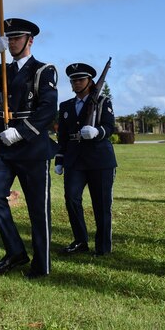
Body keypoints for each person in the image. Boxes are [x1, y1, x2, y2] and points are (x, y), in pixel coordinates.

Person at [0, 18, 57, 279]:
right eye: (8, 39)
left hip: (31, 144)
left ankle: (41, 264)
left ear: (29, 40)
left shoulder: (44, 70)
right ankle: (15, 251)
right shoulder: (4, 70)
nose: (12, 43)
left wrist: (21, 132)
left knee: (37, 207)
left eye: (16, 38)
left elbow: (47, 109)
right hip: (3, 139)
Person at [55, 62, 117, 256]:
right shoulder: (66, 106)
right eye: (73, 80)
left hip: (100, 159)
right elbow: (62, 135)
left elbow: (109, 127)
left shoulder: (102, 101)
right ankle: (80, 240)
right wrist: (59, 159)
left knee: (101, 204)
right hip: (74, 159)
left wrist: (97, 131)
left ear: (90, 81)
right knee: (71, 199)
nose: (76, 83)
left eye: (80, 79)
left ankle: (103, 247)